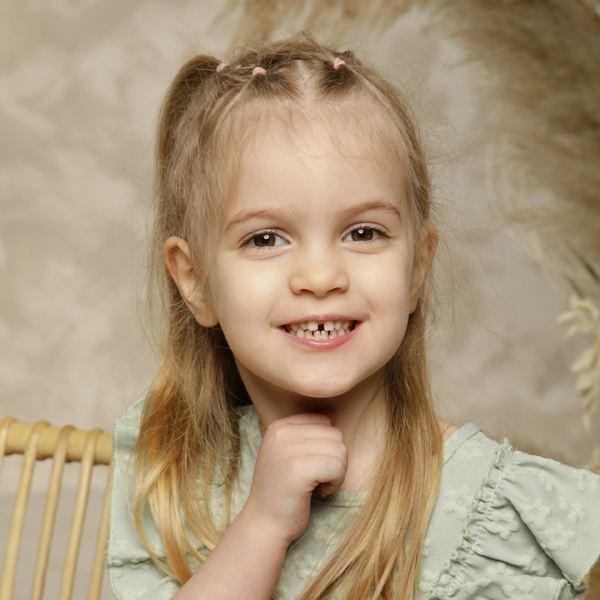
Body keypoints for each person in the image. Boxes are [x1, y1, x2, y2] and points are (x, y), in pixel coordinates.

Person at [106, 35, 600, 600]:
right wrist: (261, 527)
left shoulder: (497, 515)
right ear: (194, 281)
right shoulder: (177, 466)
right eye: (265, 238)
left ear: (416, 268)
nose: (320, 276)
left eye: (363, 233)